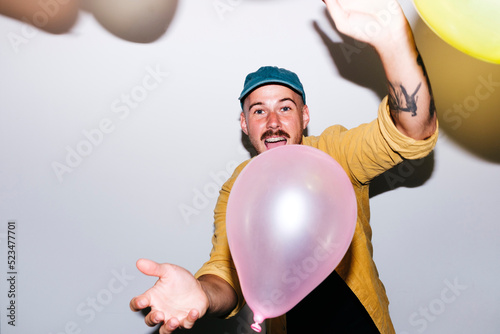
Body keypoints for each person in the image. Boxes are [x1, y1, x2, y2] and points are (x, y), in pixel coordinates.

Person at [129, 0, 438, 333]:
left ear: (305, 116)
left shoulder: (333, 153)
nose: (273, 122)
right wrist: (201, 293)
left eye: (285, 108)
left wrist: (395, 46)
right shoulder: (237, 188)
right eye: (259, 111)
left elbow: (411, 131)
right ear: (244, 124)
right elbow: (224, 274)